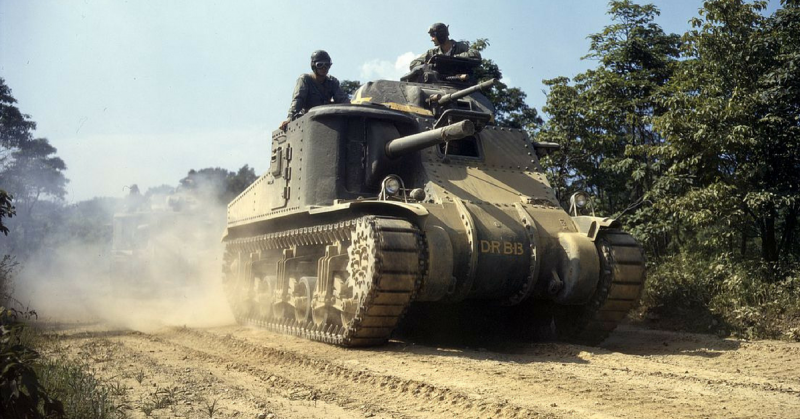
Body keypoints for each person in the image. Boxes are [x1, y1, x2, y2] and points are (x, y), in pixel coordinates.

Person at [280, 50, 349, 131]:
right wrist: (290, 118)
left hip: (327, 119)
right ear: (313, 65)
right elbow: (298, 99)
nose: (324, 68)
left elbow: (343, 100)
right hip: (309, 119)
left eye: (327, 65)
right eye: (320, 65)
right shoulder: (305, 80)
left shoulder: (332, 82)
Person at [408, 23, 481, 70]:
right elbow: (413, 64)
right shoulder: (432, 53)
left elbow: (475, 54)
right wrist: (428, 65)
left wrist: (452, 59)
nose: (432, 39)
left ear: (441, 35)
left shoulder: (460, 47)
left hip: (461, 83)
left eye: (433, 36)